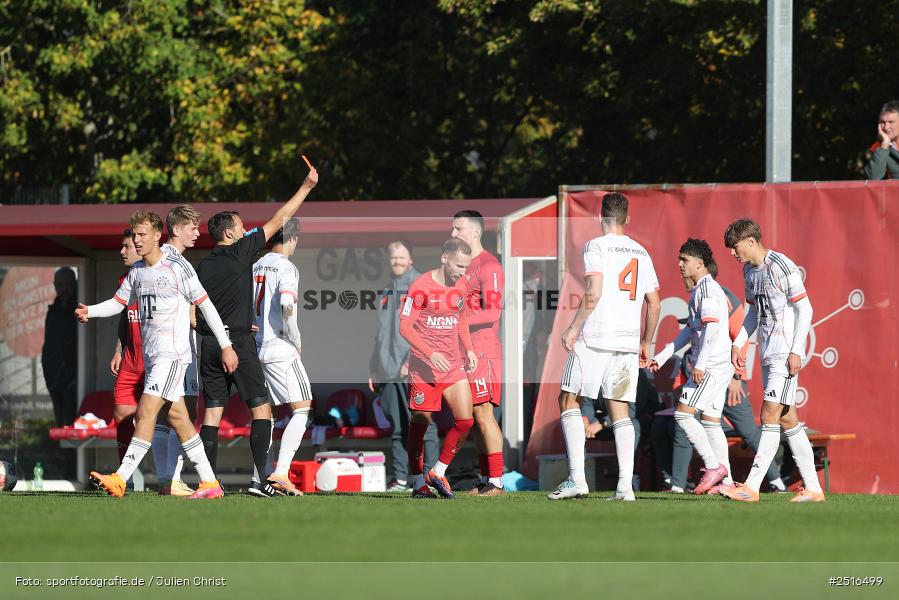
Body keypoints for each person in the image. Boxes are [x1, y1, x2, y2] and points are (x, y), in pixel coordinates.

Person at [77, 210, 237, 499]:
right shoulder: (137, 272)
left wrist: (225, 344)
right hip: (153, 358)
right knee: (178, 418)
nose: (136, 240)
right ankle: (211, 483)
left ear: (156, 235)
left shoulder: (178, 267)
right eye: (134, 235)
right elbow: (118, 303)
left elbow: (206, 305)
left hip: (172, 355)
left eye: (141, 235)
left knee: (146, 411)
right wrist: (91, 311)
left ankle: (120, 478)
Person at [197, 160, 318, 497]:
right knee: (272, 409)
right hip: (248, 343)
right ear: (230, 234)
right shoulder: (243, 253)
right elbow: (280, 219)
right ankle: (268, 477)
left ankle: (209, 482)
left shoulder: (205, 265)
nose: (246, 230)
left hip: (210, 343)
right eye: (241, 227)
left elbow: (197, 310)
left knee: (211, 415)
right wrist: (307, 187)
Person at [550, 192, 661, 502]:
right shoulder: (641, 252)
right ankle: (625, 486)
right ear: (627, 220)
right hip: (626, 341)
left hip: (596, 337)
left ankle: (577, 480)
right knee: (619, 409)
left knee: (568, 400)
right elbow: (654, 301)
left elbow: (594, 291)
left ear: (600, 218)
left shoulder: (595, 246)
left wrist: (573, 327)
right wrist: (646, 341)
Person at [651, 268, 786, 494]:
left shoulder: (719, 296)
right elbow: (694, 334)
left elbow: (741, 336)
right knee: (708, 423)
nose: (681, 272)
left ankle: (776, 481)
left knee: (746, 431)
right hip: (712, 370)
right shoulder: (699, 293)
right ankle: (700, 483)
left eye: (684, 264)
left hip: (723, 373)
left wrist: (736, 376)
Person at [719, 218, 824, 502]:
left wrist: (796, 350)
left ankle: (751, 487)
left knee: (768, 414)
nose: (732, 253)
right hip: (767, 353)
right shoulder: (749, 272)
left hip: (783, 353)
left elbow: (806, 308)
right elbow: (753, 313)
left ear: (751, 241)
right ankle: (814, 490)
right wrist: (739, 343)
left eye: (735, 246)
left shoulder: (781, 265)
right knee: (788, 419)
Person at [649, 239, 735, 495]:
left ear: (700, 263)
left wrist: (700, 363)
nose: (680, 265)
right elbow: (691, 330)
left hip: (710, 366)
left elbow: (712, 328)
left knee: (683, 415)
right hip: (718, 365)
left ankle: (713, 467)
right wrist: (663, 355)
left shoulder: (707, 290)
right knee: (710, 423)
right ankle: (727, 483)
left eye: (684, 260)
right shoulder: (702, 289)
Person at [399, 238, 478, 499]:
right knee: (420, 423)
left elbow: (461, 319)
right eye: (458, 266)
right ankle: (417, 483)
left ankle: (438, 471)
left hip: (453, 366)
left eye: (466, 267)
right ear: (444, 258)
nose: (462, 273)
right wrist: (429, 353)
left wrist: (468, 349)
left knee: (465, 420)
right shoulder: (420, 287)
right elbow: (405, 327)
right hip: (425, 368)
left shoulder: (462, 285)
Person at [368, 240, 438, 491]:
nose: (396, 261)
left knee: (423, 423)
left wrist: (412, 360)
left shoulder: (420, 286)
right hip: (387, 372)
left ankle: (430, 477)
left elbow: (427, 329)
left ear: (410, 259)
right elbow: (380, 335)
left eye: (401, 257)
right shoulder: (386, 292)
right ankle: (401, 479)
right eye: (393, 257)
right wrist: (374, 368)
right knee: (399, 429)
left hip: (414, 369)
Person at [252, 218, 311, 496]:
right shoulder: (287, 266)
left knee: (265, 416)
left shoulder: (253, 266)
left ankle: (261, 477)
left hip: (254, 348)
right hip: (279, 346)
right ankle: (280, 472)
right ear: (293, 238)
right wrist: (296, 339)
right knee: (302, 407)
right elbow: (287, 304)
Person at [450, 210, 506, 497]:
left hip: (483, 351)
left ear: (475, 232)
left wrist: (455, 320)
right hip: (465, 351)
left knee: (484, 414)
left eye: (458, 228)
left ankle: (497, 482)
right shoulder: (461, 266)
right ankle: (486, 480)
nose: (453, 233)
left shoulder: (489, 265)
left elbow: (493, 311)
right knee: (473, 416)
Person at [152, 205, 203, 496]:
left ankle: (165, 479)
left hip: (168, 346)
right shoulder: (177, 263)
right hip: (177, 349)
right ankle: (170, 479)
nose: (197, 232)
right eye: (193, 228)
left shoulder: (161, 259)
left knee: (167, 412)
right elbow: (197, 310)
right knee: (182, 411)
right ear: (177, 229)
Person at [109, 230, 141, 468]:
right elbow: (124, 319)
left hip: (157, 360)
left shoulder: (162, 274)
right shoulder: (123, 281)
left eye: (126, 246)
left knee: (171, 420)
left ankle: (170, 476)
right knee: (121, 415)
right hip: (130, 360)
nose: (122, 251)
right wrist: (119, 349)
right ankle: (123, 478)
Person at [42, 267, 78, 426]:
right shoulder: (53, 312)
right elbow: (49, 346)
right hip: (56, 382)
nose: (64, 289)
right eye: (60, 284)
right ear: (55, 286)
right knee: (61, 427)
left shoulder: (80, 310)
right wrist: (50, 379)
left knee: (72, 426)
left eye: (68, 284)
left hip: (75, 382)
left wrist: (76, 379)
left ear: (75, 285)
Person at [863, 100, 899, 180]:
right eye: (883, 122)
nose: (886, 127)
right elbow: (872, 178)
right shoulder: (879, 147)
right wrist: (884, 145)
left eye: (891, 122)